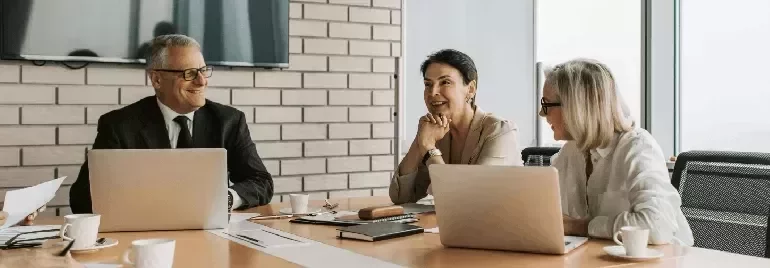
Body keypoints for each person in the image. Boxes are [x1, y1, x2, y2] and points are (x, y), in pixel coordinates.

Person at [69, 34, 274, 213]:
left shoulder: (228, 120)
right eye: (189, 73)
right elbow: (82, 199)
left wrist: (227, 198)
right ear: (157, 80)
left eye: (203, 70)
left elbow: (261, 182)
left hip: (211, 233)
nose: (202, 81)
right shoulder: (118, 125)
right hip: (145, 234)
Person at [541, 59, 693, 245]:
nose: (542, 113)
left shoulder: (638, 148)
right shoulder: (570, 152)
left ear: (577, 106)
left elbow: (657, 226)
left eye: (547, 104)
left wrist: (581, 226)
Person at [389, 49, 522, 204]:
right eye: (428, 84)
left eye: (445, 82)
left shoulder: (499, 131)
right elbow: (400, 196)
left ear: (470, 89)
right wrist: (420, 141)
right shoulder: (437, 132)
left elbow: (466, 199)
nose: (433, 92)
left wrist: (429, 148)